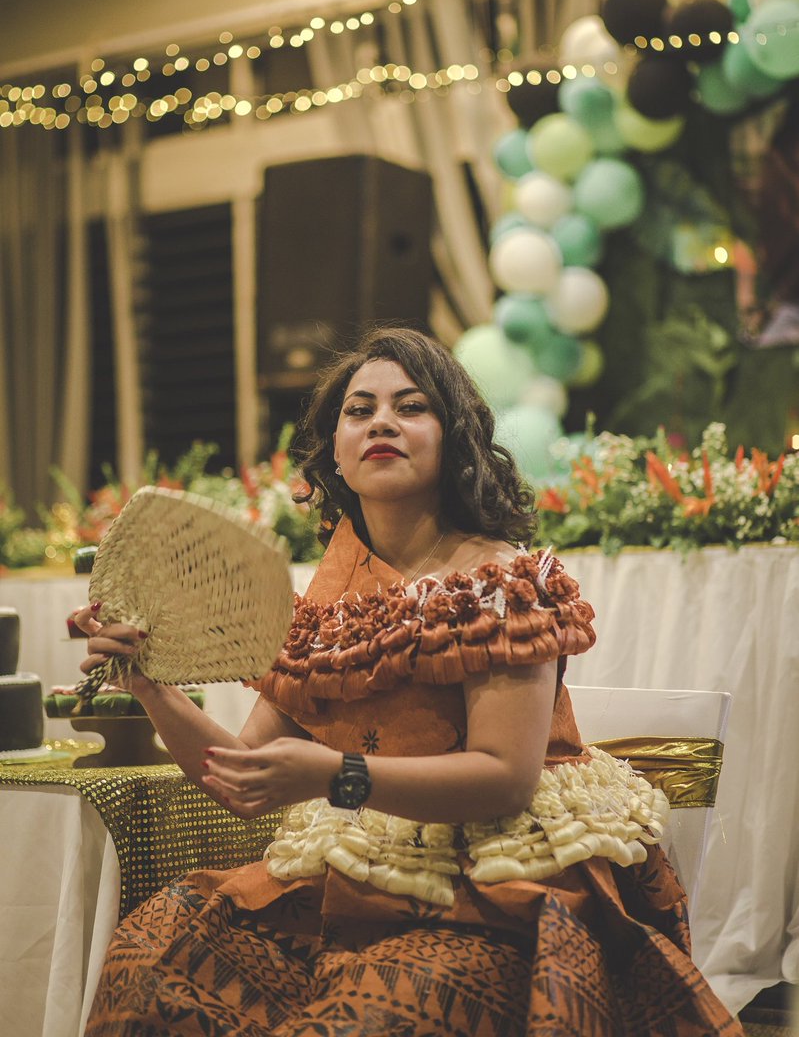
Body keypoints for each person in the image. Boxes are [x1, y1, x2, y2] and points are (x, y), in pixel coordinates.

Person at [76, 326, 743, 1036]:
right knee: (151, 959)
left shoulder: (499, 585)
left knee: (370, 1014)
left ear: (454, 438)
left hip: (498, 879)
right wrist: (148, 684)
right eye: (359, 410)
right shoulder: (323, 604)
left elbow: (503, 779)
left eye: (411, 406)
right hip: (354, 877)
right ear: (334, 450)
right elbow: (239, 779)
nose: (381, 423)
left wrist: (337, 776)